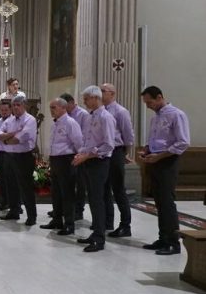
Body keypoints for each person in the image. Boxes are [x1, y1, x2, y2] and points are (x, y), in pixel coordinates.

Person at [140, 86, 190, 255]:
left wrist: (159, 156)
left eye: (149, 102)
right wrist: (147, 150)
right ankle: (163, 238)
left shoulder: (176, 114)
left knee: (167, 202)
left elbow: (183, 142)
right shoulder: (155, 118)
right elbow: (155, 138)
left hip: (167, 161)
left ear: (160, 97)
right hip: (155, 160)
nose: (147, 106)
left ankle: (173, 242)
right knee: (159, 202)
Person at [71, 85, 116, 252]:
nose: (84, 102)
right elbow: (88, 141)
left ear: (96, 98)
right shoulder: (90, 117)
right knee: (93, 199)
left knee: (98, 200)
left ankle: (99, 238)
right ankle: (96, 232)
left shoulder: (106, 117)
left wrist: (87, 156)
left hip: (99, 163)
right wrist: (81, 153)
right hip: (89, 161)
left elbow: (108, 145)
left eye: (86, 98)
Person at [40, 98, 83, 235]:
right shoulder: (55, 124)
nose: (51, 110)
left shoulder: (71, 123)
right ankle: (57, 220)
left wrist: (77, 159)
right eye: (50, 107)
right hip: (55, 160)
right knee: (56, 192)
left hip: (66, 160)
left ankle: (69, 224)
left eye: (54, 107)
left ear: (63, 108)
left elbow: (78, 143)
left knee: (67, 193)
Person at [0, 96, 37, 226]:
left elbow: (21, 138)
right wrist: (12, 134)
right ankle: (14, 210)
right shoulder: (10, 120)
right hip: (9, 156)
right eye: (13, 105)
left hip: (23, 157)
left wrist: (7, 138)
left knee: (26, 187)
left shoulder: (30, 120)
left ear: (24, 105)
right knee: (11, 185)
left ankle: (31, 215)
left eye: (18, 105)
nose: (15, 107)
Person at [101, 83, 135, 237]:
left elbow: (128, 136)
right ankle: (107, 221)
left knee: (118, 189)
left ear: (112, 93)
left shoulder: (121, 111)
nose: (100, 94)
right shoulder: (100, 111)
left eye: (103, 91)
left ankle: (125, 225)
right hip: (103, 153)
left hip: (116, 151)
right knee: (104, 188)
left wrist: (124, 154)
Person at [60, 92, 89, 220]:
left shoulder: (83, 114)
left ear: (71, 102)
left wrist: (81, 152)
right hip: (68, 154)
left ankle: (79, 210)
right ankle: (66, 209)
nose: (64, 109)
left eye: (66, 106)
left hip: (80, 152)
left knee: (80, 183)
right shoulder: (65, 115)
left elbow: (85, 135)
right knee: (68, 182)